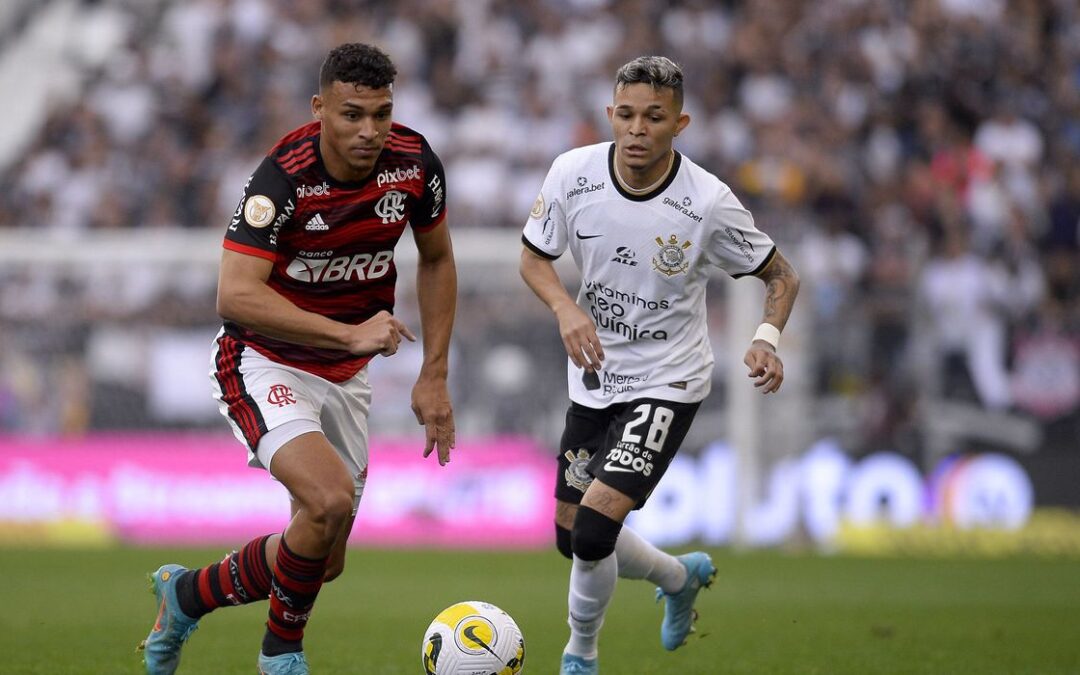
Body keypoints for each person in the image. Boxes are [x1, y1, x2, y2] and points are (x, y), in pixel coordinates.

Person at [138, 43, 457, 675]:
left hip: (345, 375)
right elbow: (235, 295)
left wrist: (434, 374)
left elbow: (439, 258)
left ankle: (186, 594)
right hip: (263, 360)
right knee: (329, 499)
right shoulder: (282, 177)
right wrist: (348, 335)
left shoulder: (415, 162)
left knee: (322, 557)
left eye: (382, 114)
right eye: (352, 114)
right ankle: (280, 655)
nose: (369, 131)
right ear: (319, 109)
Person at [520, 55, 799, 675]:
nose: (637, 129)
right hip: (595, 376)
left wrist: (766, 338)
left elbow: (781, 275)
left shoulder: (707, 203)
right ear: (609, 114)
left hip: (669, 379)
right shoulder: (573, 173)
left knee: (594, 531)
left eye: (654, 117)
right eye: (626, 115)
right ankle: (678, 578)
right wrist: (565, 308)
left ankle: (580, 657)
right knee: (570, 533)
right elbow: (533, 258)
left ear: (680, 123)